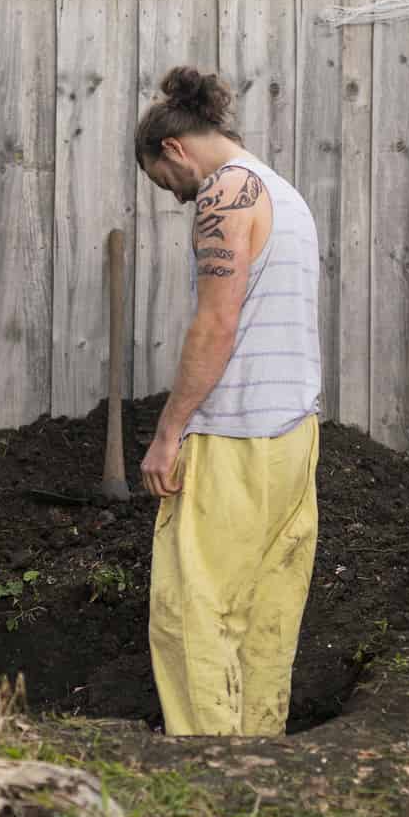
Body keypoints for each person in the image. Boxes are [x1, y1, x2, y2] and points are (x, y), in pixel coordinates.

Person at [133, 66, 322, 737]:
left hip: (233, 435)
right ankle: (259, 751)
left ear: (174, 149)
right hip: (293, 435)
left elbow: (216, 323)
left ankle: (205, 763)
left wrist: (168, 433)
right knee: (269, 609)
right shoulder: (285, 193)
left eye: (165, 181)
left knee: (193, 609)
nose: (176, 195)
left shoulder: (224, 193)